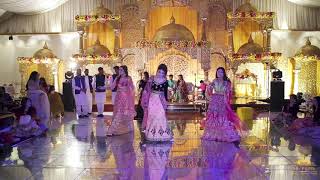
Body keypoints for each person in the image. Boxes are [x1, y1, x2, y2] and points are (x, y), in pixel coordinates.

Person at [202, 67, 246, 143]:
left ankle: (223, 134)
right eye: (218, 72)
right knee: (214, 116)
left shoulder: (226, 82)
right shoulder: (214, 81)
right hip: (215, 100)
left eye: (221, 72)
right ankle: (214, 135)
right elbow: (208, 89)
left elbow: (229, 92)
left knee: (222, 116)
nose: (219, 73)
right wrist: (210, 95)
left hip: (222, 100)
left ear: (223, 73)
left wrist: (226, 97)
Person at [142, 64, 173, 142]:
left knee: (161, 115)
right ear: (157, 71)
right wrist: (145, 99)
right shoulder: (151, 79)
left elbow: (165, 93)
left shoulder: (165, 81)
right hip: (152, 100)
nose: (160, 74)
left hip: (160, 100)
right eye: (159, 72)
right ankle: (151, 134)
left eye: (163, 73)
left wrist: (166, 102)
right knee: (152, 116)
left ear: (165, 74)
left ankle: (162, 134)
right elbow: (146, 90)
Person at [108, 65, 135, 136]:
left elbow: (132, 89)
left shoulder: (128, 78)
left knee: (123, 112)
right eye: (119, 70)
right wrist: (104, 86)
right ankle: (115, 129)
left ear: (124, 70)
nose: (119, 71)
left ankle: (112, 130)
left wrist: (130, 99)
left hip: (126, 98)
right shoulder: (117, 78)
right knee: (118, 112)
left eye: (121, 70)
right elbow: (112, 86)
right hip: (118, 98)